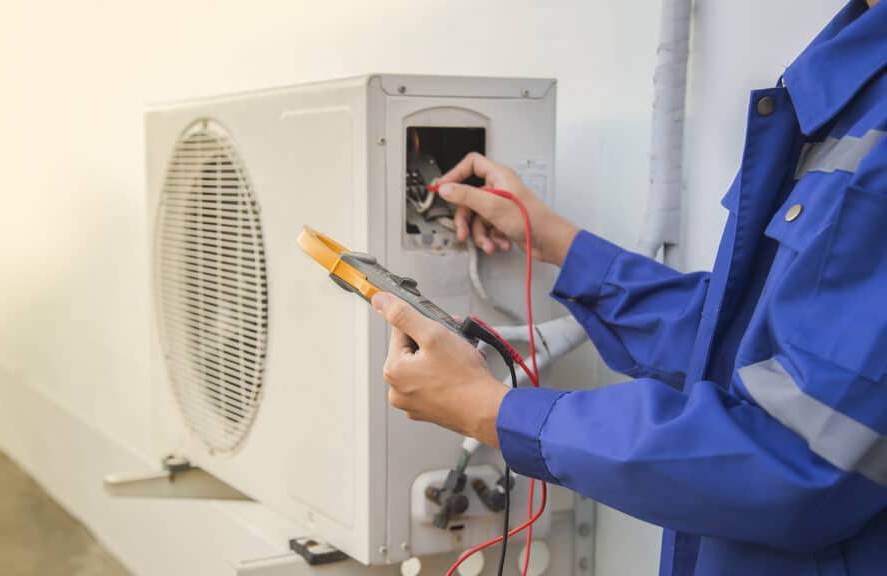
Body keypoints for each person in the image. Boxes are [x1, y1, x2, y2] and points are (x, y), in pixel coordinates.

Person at [370, 1, 887, 574]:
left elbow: (794, 457)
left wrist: (494, 411)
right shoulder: (848, 76)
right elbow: (745, 339)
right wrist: (558, 244)